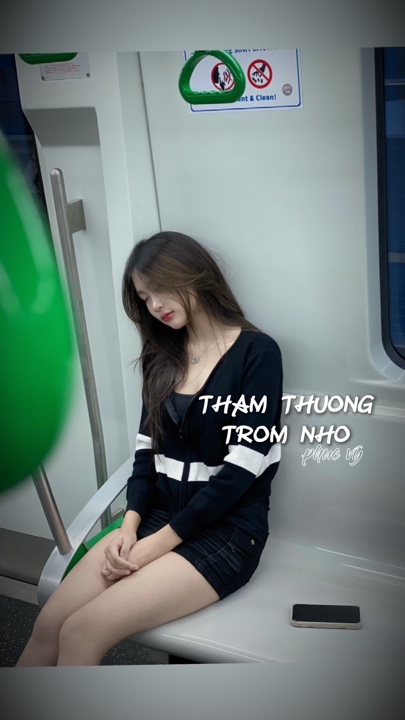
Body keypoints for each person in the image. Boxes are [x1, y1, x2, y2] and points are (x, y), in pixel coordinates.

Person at [16, 230, 283, 667]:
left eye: (159, 289)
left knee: (82, 631)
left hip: (227, 530)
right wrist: (128, 526)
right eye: (144, 298)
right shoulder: (162, 355)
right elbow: (145, 455)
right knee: (49, 625)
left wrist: (153, 546)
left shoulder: (257, 353)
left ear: (194, 274)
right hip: (155, 518)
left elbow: (241, 473)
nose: (154, 305)